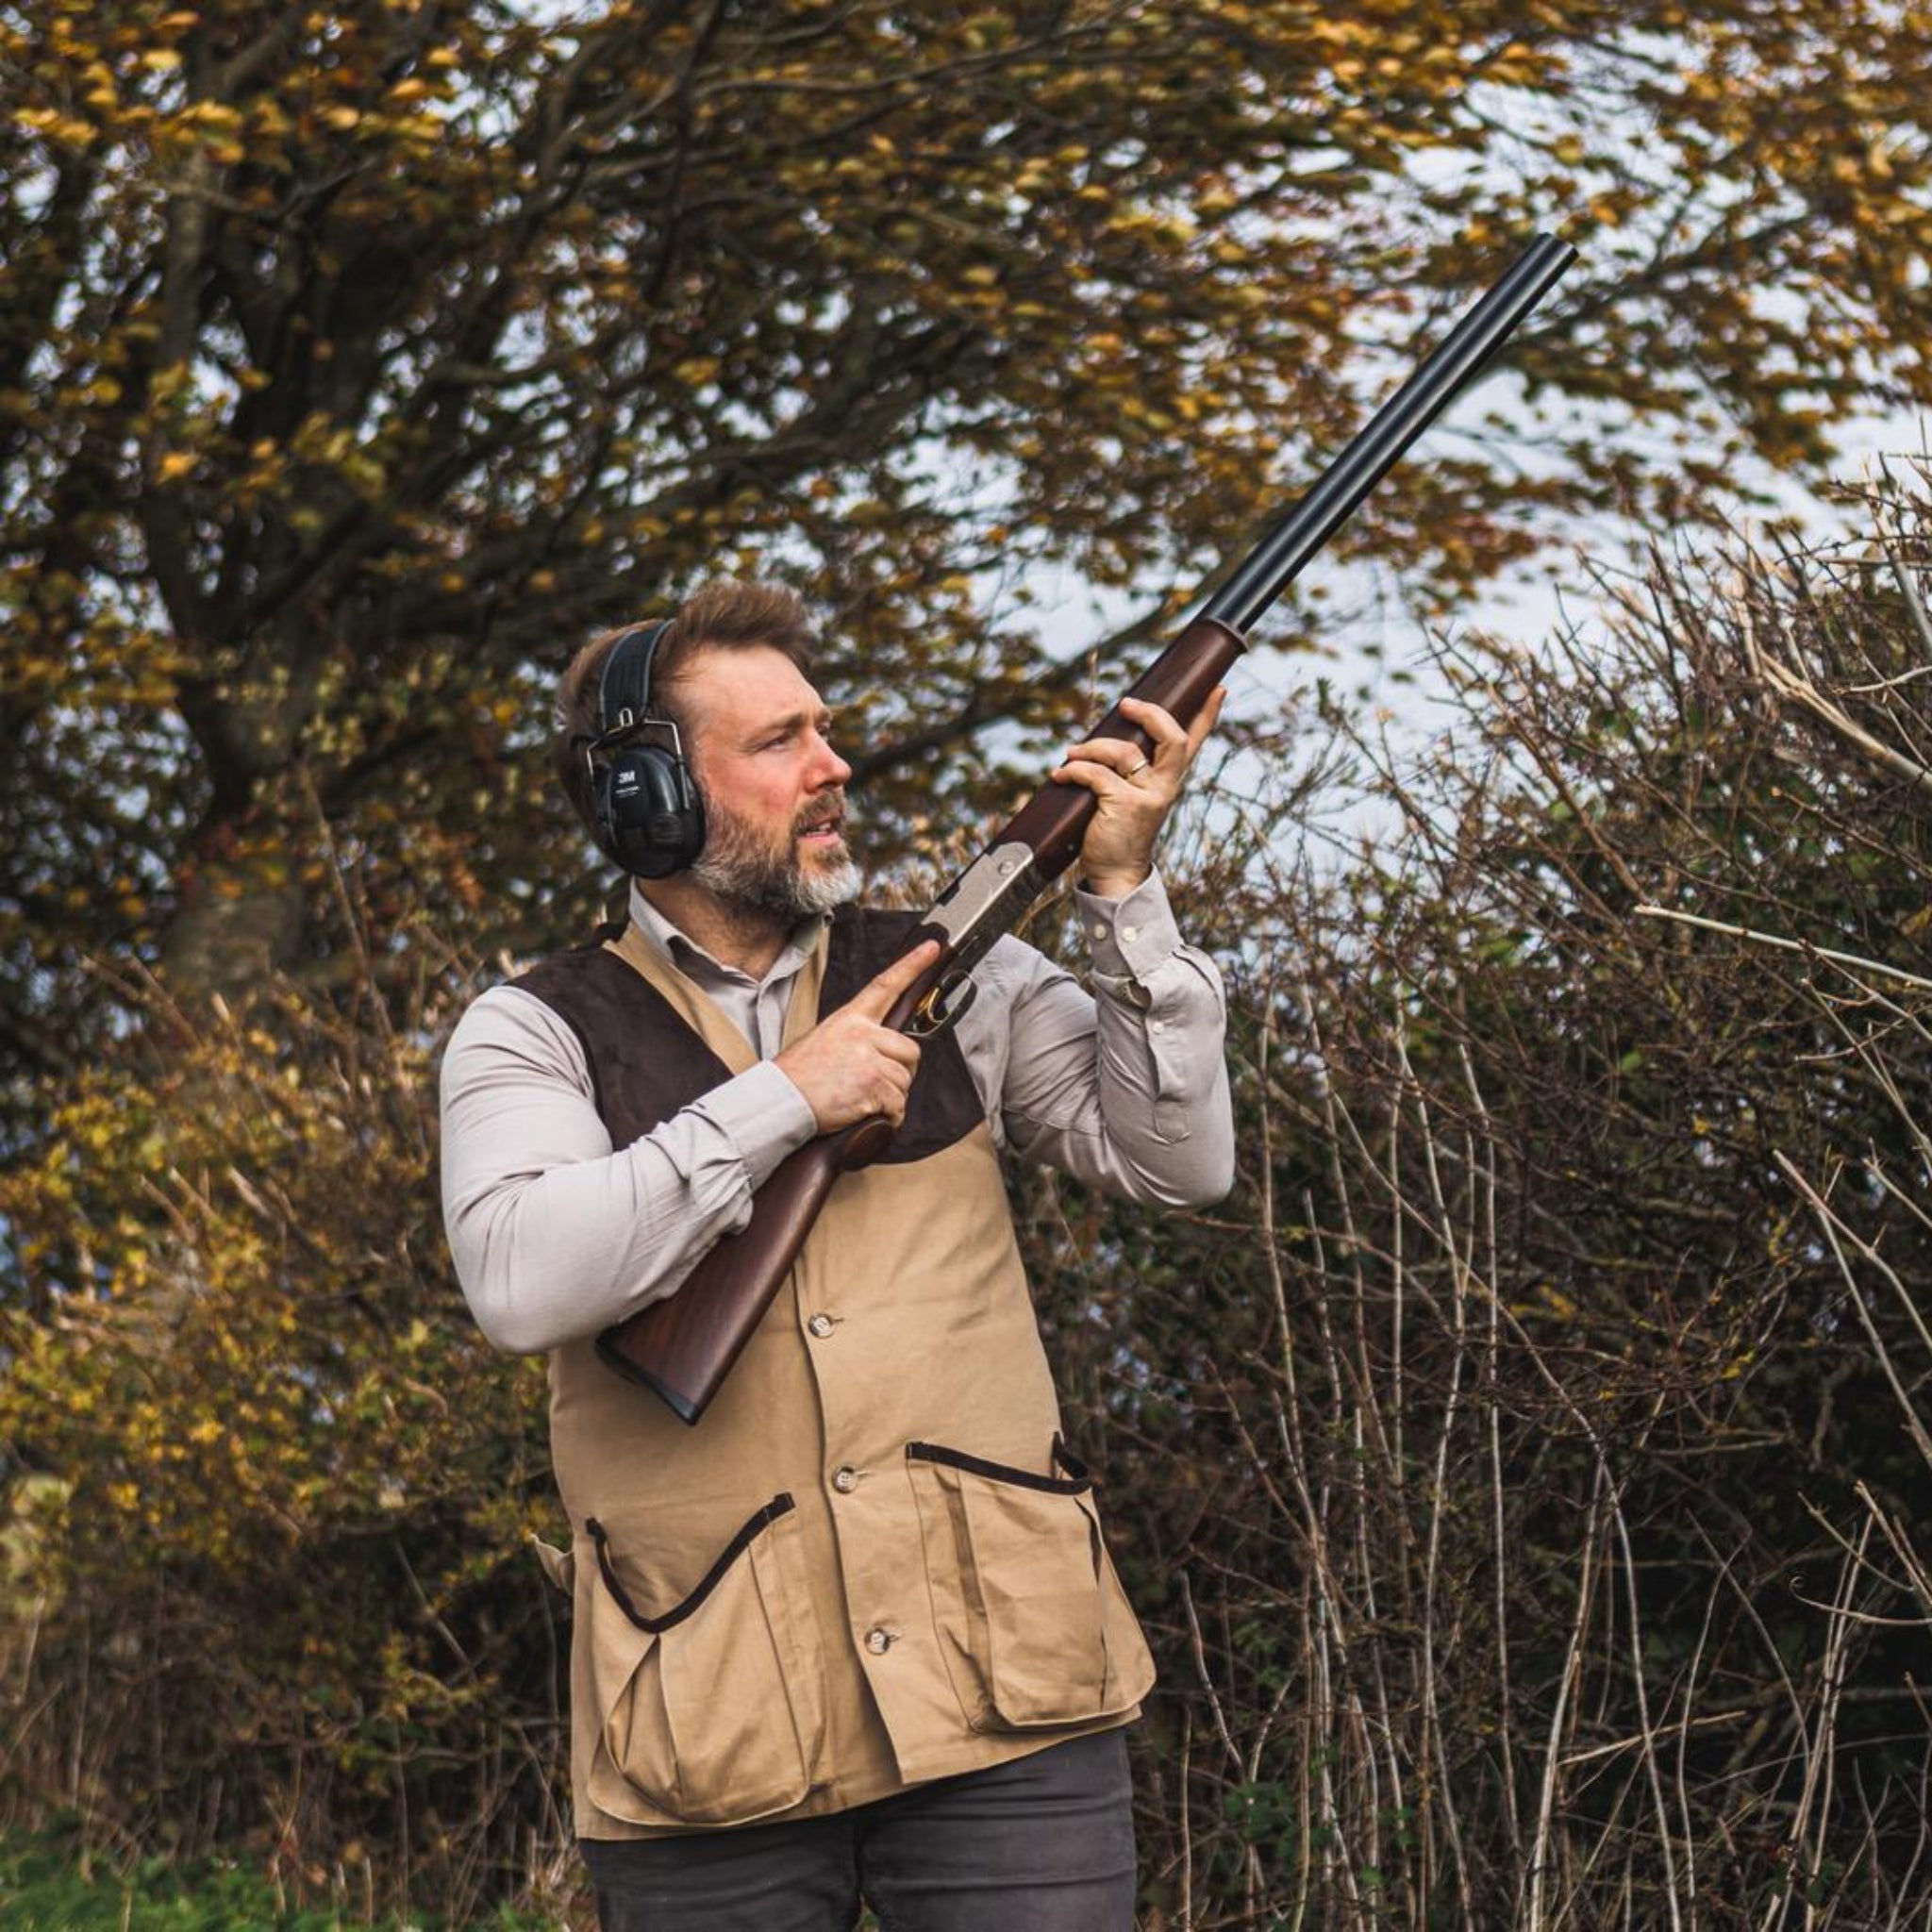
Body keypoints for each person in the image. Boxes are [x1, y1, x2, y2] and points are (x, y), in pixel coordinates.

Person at [439, 579, 1235, 1930]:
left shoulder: (953, 977)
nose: (834, 767)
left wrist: (1124, 892)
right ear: (649, 799)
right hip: (710, 1737)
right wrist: (786, 1102)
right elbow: (522, 1284)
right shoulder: (532, 1032)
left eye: (825, 729)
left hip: (1010, 1708)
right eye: (779, 743)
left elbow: (1178, 1162)